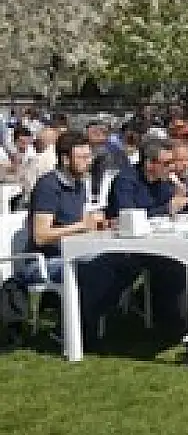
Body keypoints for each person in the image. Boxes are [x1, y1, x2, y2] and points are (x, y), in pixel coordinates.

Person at [25, 131, 137, 342]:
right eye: (82, 157)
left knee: (127, 263)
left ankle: (87, 318)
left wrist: (99, 224)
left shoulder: (78, 184)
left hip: (75, 253)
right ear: (65, 159)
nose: (88, 162)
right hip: (44, 260)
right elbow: (40, 236)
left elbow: (77, 222)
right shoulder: (48, 186)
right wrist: (81, 226)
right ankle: (73, 328)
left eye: (89, 156)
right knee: (98, 270)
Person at [105, 138, 188, 219]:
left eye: (173, 162)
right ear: (149, 164)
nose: (172, 167)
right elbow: (129, 216)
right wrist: (167, 209)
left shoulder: (163, 181)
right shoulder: (125, 181)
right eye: (167, 163)